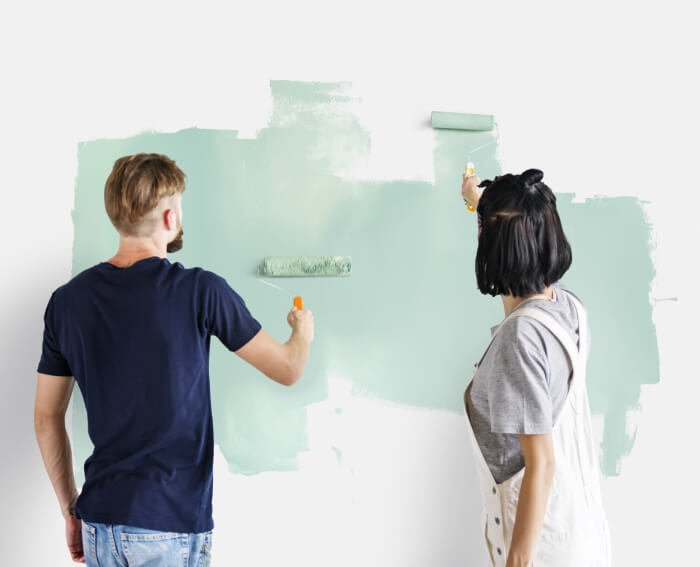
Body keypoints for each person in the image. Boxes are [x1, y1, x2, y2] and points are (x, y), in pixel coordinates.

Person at [33, 153, 315, 566]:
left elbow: (46, 416)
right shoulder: (201, 291)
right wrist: (301, 333)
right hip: (168, 529)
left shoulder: (66, 303)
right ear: (169, 218)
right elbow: (289, 368)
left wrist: (69, 507)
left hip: (99, 522)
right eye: (179, 206)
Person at [461, 169, 610, 566]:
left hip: (544, 552)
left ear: (493, 248)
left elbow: (541, 464)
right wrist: (480, 205)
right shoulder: (566, 308)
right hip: (583, 534)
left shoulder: (520, 339)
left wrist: (517, 562)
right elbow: (517, 225)